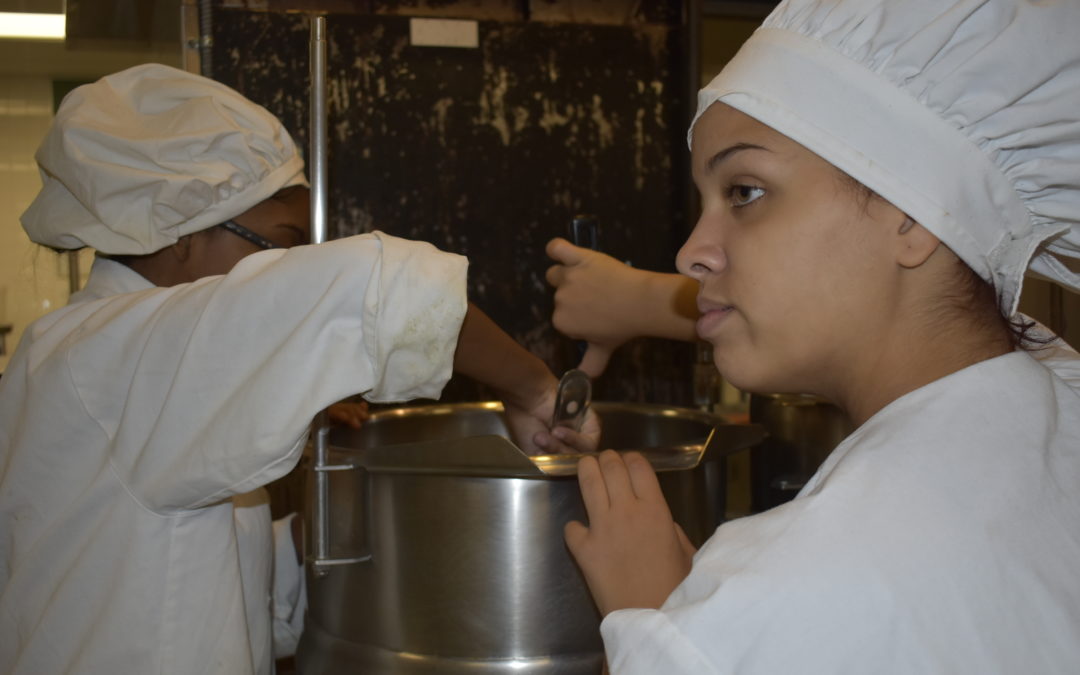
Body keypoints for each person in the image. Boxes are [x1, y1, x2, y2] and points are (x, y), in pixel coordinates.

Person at [0, 63, 598, 675]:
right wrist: (535, 389)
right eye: (282, 246)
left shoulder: (93, 359)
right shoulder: (117, 357)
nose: (287, 270)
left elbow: (194, 578)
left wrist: (342, 527)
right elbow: (378, 293)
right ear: (179, 231)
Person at [560, 0, 1080, 672]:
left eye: (745, 192)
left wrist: (660, 625)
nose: (690, 252)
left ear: (913, 215)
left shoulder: (804, 588)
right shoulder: (1056, 411)